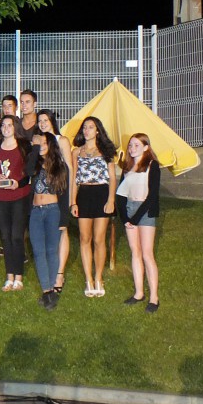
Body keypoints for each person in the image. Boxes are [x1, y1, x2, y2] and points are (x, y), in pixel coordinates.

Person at [70, 116, 117, 298]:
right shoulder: (77, 152)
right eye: (85, 127)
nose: (87, 130)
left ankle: (99, 277)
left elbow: (112, 178)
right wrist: (73, 201)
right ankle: (88, 279)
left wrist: (111, 200)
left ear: (98, 130)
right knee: (84, 238)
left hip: (102, 195)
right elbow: (75, 179)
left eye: (91, 127)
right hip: (84, 195)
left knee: (99, 239)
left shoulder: (106, 151)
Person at [117, 133, 161, 312]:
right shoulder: (128, 167)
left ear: (146, 147)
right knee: (135, 252)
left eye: (136, 145)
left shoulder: (152, 165)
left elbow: (152, 196)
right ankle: (138, 293)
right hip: (130, 209)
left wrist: (135, 219)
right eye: (130, 145)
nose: (132, 148)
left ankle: (154, 298)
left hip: (145, 211)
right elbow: (120, 195)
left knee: (147, 254)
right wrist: (125, 218)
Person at [0, 115, 35, 292]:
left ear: (15, 127)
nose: (6, 128)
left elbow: (29, 172)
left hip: (19, 196)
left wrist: (18, 183)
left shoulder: (24, 146)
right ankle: (9, 276)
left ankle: (19, 277)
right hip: (0, 197)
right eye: (3, 125)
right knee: (6, 237)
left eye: (10, 125)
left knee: (17, 236)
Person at [26, 131, 69, 310]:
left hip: (53, 211)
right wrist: (35, 148)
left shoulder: (60, 166)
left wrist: (64, 220)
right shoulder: (34, 164)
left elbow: (64, 194)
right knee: (38, 251)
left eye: (45, 143)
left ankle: (50, 291)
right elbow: (27, 171)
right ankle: (47, 290)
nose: (42, 145)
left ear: (52, 145)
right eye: (39, 143)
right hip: (36, 212)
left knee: (52, 251)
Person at [36, 109, 73, 292]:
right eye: (40, 120)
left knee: (61, 230)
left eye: (45, 120)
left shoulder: (62, 140)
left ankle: (60, 273)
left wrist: (71, 198)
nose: (42, 123)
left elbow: (70, 169)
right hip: (43, 194)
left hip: (61, 190)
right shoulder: (39, 142)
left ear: (52, 121)